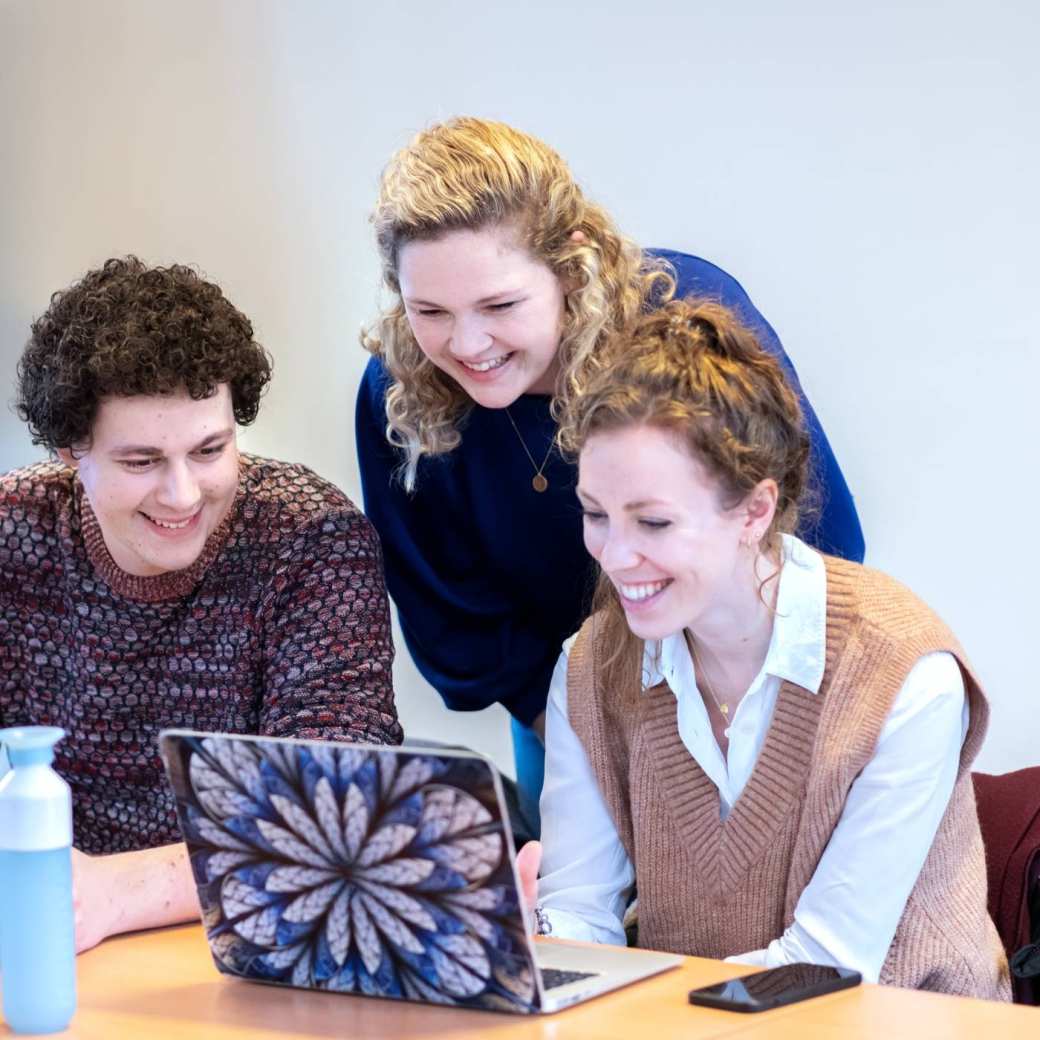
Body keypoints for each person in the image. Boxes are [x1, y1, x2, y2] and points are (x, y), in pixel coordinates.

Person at [356, 117, 864, 833]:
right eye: (429, 311)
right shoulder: (397, 389)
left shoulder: (688, 319)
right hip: (558, 705)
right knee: (579, 921)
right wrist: (574, 726)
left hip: (753, 691)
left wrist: (718, 718)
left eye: (501, 306)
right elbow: (447, 606)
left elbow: (817, 535)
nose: (467, 345)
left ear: (573, 263)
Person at [513, 297, 1009, 998]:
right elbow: (580, 922)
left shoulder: (904, 672)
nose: (615, 556)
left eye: (653, 522)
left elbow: (824, 966)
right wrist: (535, 949)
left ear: (754, 510)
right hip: (695, 1026)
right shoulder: (591, 669)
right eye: (596, 515)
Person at [1, 257, 402, 952]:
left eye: (210, 449)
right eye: (140, 462)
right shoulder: (14, 532)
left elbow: (337, 807)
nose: (183, 495)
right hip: (46, 934)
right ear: (72, 449)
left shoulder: (310, 539)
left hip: (249, 943)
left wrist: (105, 894)